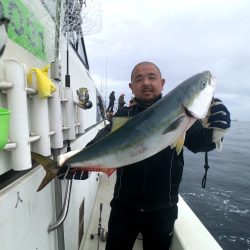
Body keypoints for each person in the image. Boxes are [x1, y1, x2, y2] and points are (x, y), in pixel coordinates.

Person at [58, 62, 231, 250]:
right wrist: (76, 161)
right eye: (139, 79)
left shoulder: (186, 118)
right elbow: (104, 138)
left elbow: (199, 142)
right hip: (123, 207)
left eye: (152, 77)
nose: (146, 82)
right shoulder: (125, 114)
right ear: (131, 87)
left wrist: (216, 130)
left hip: (162, 210)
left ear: (162, 83)